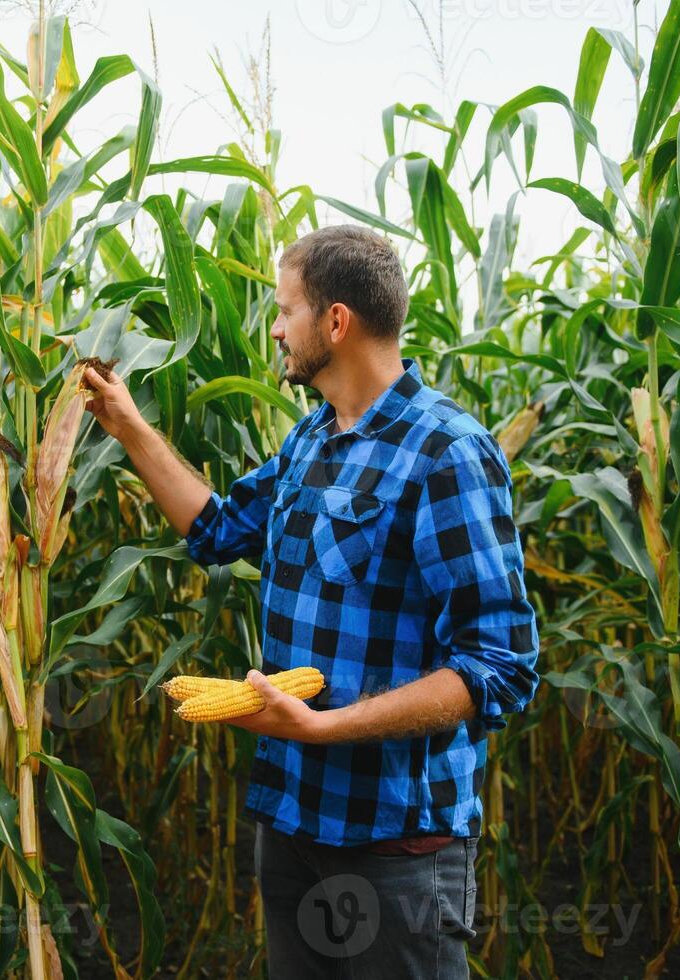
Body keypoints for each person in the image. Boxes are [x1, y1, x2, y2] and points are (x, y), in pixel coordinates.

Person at [83, 225, 538, 979]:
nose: (272, 327)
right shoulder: (312, 441)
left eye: (284, 308)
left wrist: (324, 728)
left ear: (335, 322)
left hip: (394, 843)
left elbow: (499, 664)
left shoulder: (445, 452)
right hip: (294, 820)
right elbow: (218, 529)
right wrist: (128, 426)